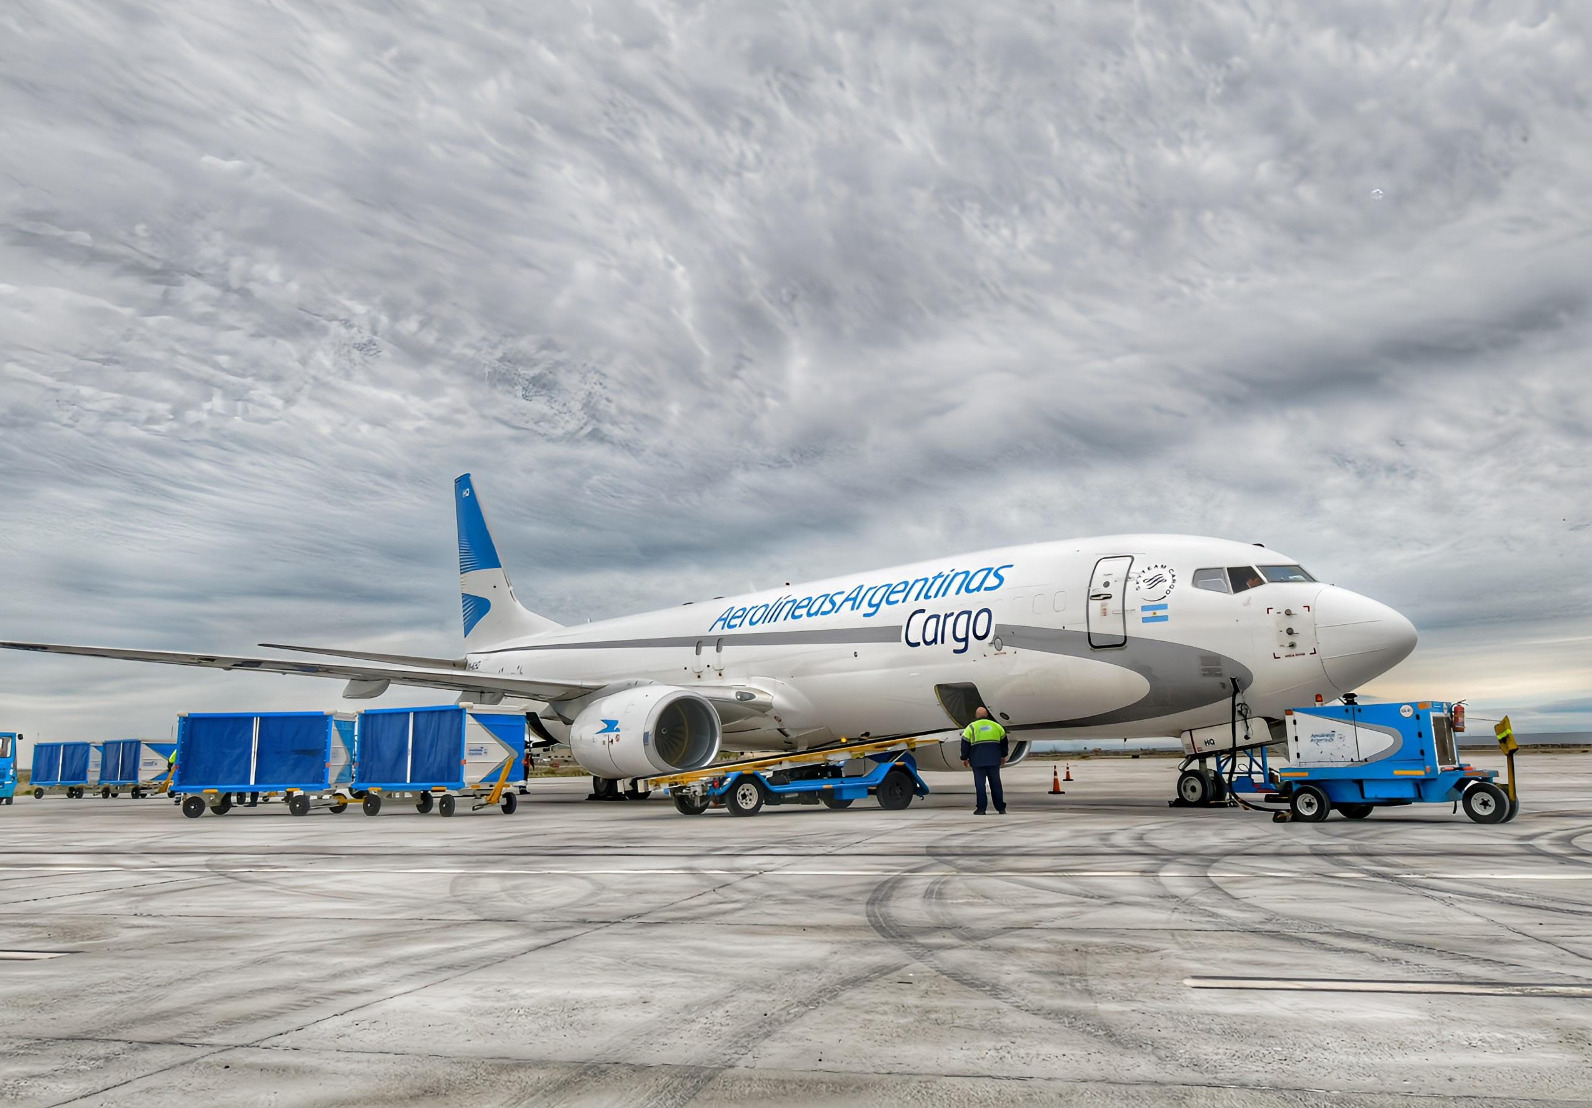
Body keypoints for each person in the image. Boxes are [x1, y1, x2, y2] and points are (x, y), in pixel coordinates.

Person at [960, 707, 1009, 815]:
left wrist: (964, 758)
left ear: (976, 715)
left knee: (980, 785)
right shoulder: (997, 726)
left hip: (978, 761)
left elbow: (965, 743)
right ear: (987, 714)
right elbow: (1004, 742)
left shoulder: (971, 727)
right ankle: (1000, 808)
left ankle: (981, 809)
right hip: (994, 760)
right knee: (996, 784)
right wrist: (1003, 755)